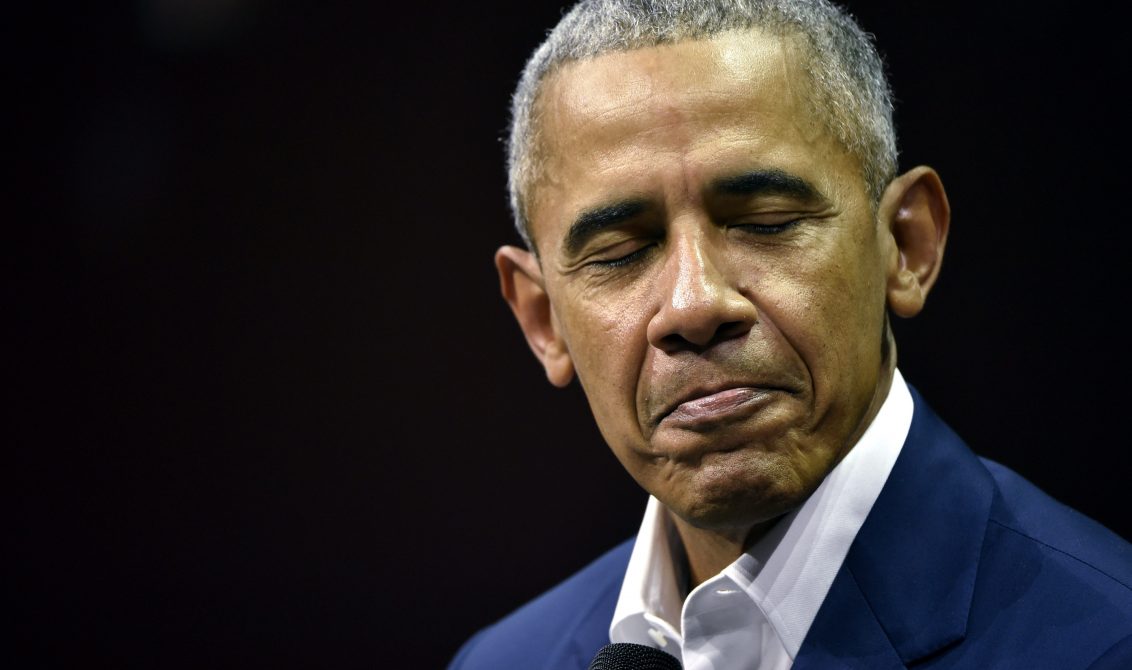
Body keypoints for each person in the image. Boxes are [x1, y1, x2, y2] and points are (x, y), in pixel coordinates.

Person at [449, 0, 1132, 667]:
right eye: (622, 253)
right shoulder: (504, 659)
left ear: (905, 245)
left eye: (767, 221)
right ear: (543, 321)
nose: (693, 306)